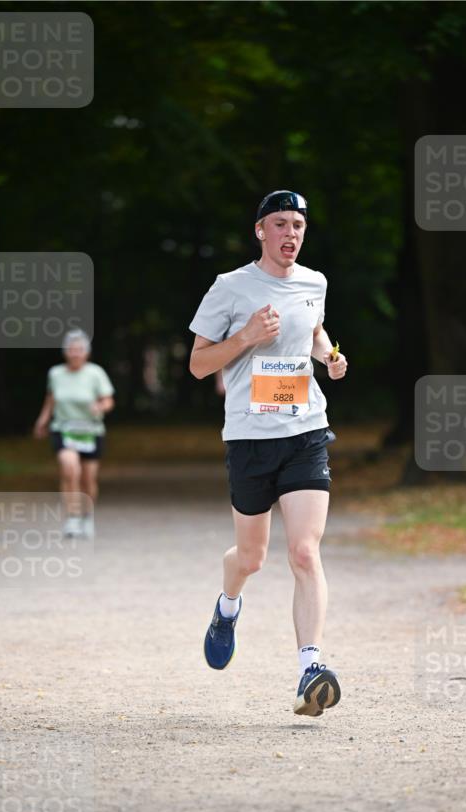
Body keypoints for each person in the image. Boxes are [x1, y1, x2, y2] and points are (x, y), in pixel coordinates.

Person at [189, 190, 348, 717]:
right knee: (251, 558)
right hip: (250, 438)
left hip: (306, 430)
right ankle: (227, 606)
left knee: (304, 552)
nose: (290, 234)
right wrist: (248, 337)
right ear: (260, 230)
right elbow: (197, 364)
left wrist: (330, 357)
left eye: (298, 225)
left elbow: (316, 332)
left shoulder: (314, 283)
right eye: (280, 224)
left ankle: (310, 667)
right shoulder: (230, 288)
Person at [33, 329, 115, 538]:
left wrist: (100, 407)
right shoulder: (56, 373)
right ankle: (72, 517)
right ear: (65, 352)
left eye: (79, 349)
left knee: (88, 479)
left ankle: (87, 516)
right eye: (72, 349)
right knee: (70, 469)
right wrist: (43, 420)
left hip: (90, 430)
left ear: (86, 352)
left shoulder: (95, 373)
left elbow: (108, 400)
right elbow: (51, 399)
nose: (75, 353)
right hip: (64, 428)